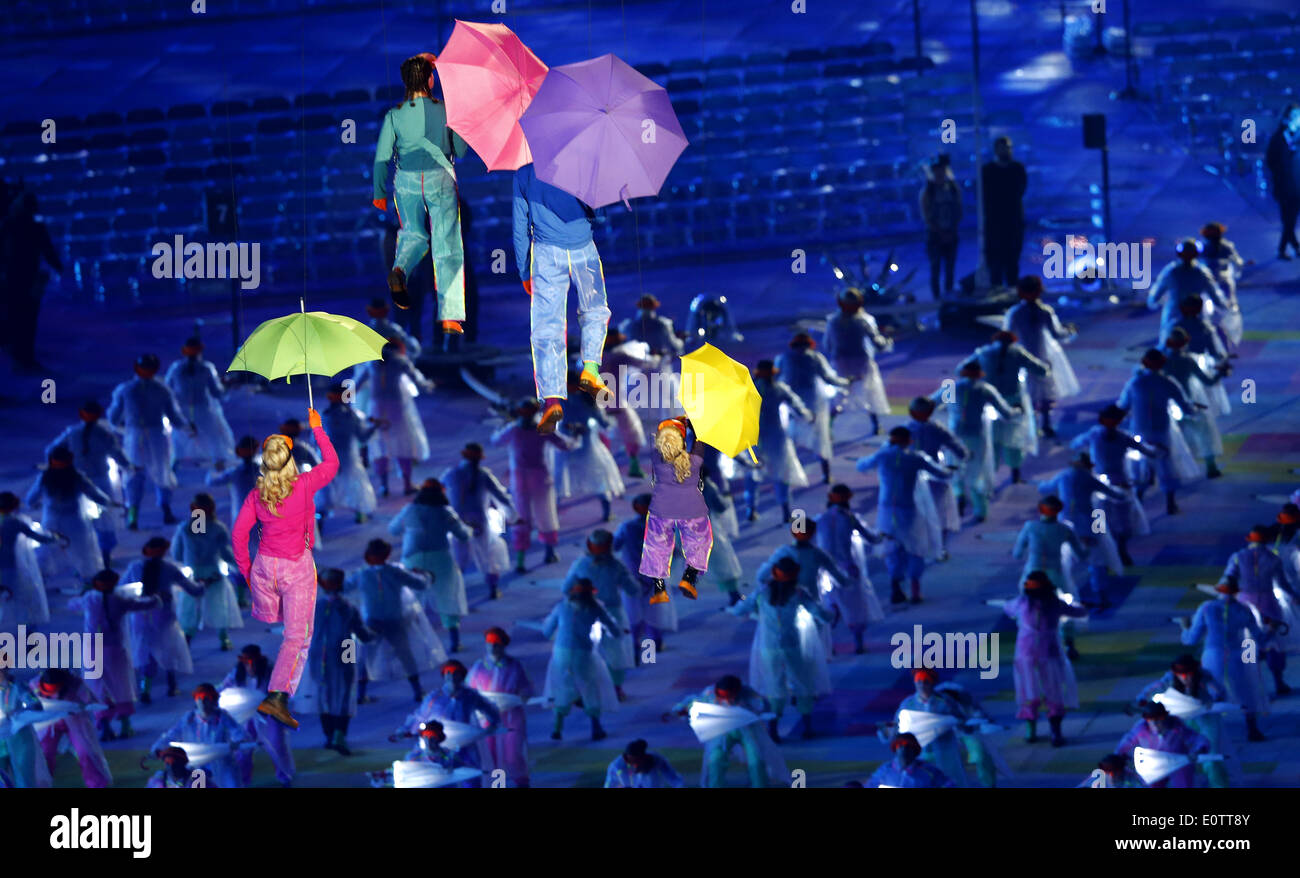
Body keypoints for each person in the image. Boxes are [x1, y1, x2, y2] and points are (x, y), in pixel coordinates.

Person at [231, 408, 338, 729]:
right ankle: (278, 696)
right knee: (299, 637)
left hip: (265, 567)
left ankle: (275, 686)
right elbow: (332, 464)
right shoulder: (304, 484)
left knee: (285, 630)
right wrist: (318, 429)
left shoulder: (256, 495)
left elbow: (239, 536)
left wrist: (248, 573)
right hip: (296, 566)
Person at [372, 53, 468, 331]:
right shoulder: (447, 110)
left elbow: (381, 156)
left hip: (406, 181)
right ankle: (450, 315)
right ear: (429, 80)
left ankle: (400, 269)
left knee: (413, 233)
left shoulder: (395, 115)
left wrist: (379, 191)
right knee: (446, 243)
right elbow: (459, 151)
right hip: (440, 177)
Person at [513, 161, 610, 431]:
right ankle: (590, 369)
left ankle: (552, 400)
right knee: (594, 309)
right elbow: (599, 215)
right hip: (583, 248)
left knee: (547, 326)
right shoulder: (584, 167)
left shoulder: (523, 175)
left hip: (545, 253)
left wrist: (524, 271)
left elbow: (519, 229)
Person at [728, 556, 832, 740]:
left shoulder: (763, 593)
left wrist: (733, 610)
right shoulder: (799, 594)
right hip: (792, 645)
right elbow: (820, 613)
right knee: (802, 682)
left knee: (774, 685)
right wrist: (830, 616)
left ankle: (773, 729)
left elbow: (740, 610)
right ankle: (807, 727)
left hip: (769, 647)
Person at [856, 426, 951, 604]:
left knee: (892, 547)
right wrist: (951, 469)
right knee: (915, 548)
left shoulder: (883, 455)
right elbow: (941, 473)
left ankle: (896, 586)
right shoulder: (916, 458)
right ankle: (915, 589)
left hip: (887, 510)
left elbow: (861, 465)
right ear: (909, 441)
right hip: (909, 510)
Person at [68, 569, 159, 741]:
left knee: (98, 687)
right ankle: (126, 725)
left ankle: (105, 726)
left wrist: (85, 591)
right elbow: (142, 604)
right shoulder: (120, 601)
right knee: (120, 686)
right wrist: (157, 598)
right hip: (115, 650)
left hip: (92, 649)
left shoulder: (89, 599)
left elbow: (71, 604)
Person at [107, 353, 194, 529]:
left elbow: (113, 419)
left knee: (144, 473)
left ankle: (143, 513)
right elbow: (175, 417)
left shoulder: (130, 389)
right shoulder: (154, 390)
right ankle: (153, 512)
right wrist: (187, 428)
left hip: (141, 436)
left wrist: (125, 429)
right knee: (153, 473)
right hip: (150, 436)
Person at [1003, 571, 1089, 746]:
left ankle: (1030, 731)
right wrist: (1083, 605)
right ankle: (1055, 733)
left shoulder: (1022, 603)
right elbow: (1078, 612)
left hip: (1025, 654)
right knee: (1053, 692)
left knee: (1028, 691)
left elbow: (1007, 608)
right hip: (1049, 652)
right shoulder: (1055, 603)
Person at [1176, 580, 1269, 741]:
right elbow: (1260, 638)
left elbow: (1190, 639)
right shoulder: (1243, 610)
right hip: (1235, 655)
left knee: (1210, 690)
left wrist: (1185, 627)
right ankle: (1252, 728)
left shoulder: (1207, 607)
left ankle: (1210, 732)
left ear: (1218, 591)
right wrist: (1272, 630)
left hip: (1213, 656)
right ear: (1235, 593)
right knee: (1244, 690)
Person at [345, 539, 434, 702]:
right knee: (406, 655)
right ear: (387, 555)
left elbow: (343, 587)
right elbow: (420, 584)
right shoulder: (396, 572)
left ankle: (360, 694)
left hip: (372, 621)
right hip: (395, 621)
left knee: (365, 657)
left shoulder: (362, 574)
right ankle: (417, 691)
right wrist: (426, 575)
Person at [45, 399, 130, 569]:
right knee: (105, 520)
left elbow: (51, 450)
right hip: (99, 480)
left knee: (84, 523)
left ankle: (87, 562)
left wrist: (56, 468)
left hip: (76, 482)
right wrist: (129, 467)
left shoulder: (72, 433)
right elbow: (117, 454)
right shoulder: (104, 434)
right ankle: (104, 557)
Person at [491, 399, 574, 571]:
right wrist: (576, 435)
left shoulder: (513, 430)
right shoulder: (543, 429)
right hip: (541, 479)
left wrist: (501, 425)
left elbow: (495, 441)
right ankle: (549, 552)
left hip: (519, 478)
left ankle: (521, 561)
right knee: (546, 514)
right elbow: (565, 445)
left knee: (521, 516)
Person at [389, 479, 471, 652]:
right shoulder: (445, 512)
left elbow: (393, 529)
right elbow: (463, 535)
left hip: (413, 559)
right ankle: (454, 640)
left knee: (411, 600)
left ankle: (409, 641)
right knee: (448, 597)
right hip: (441, 559)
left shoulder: (409, 510)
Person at [1069, 404, 1157, 565]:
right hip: (1104, 483)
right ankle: (1107, 553)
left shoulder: (1120, 437)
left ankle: (1118, 551)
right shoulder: (1098, 435)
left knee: (1118, 520)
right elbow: (1075, 444)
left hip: (1117, 484)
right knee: (1103, 518)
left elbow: (1146, 450)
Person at [1117, 348, 1201, 514]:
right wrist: (1195, 409)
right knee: (1166, 465)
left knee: (1141, 465)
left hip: (1139, 430)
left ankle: (1139, 502)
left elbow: (1122, 406)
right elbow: (1185, 407)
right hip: (1161, 430)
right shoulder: (1168, 383)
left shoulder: (1134, 383)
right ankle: (1170, 504)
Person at [935, 359, 1019, 522]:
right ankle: (980, 510)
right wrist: (1017, 411)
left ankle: (958, 496)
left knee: (955, 466)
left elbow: (933, 404)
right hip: (977, 435)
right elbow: (1006, 413)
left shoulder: (952, 387)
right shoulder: (985, 389)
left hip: (956, 434)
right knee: (978, 471)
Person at [640, 416, 713, 603]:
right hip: (692, 510)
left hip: (661, 510)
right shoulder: (695, 460)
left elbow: (657, 438)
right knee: (699, 542)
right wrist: (693, 427)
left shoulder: (657, 459)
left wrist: (675, 422)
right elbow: (700, 440)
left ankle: (659, 590)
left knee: (657, 547)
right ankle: (689, 578)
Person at [667, 674, 785, 788]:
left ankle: (759, 785)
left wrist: (755, 711)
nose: (726, 701)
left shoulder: (747, 693)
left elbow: (763, 705)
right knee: (715, 759)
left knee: (756, 759)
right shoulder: (710, 693)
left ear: (738, 692)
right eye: (722, 697)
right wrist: (679, 710)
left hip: (747, 728)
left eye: (730, 696)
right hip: (722, 729)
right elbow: (692, 702)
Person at [1038, 453, 1125, 607]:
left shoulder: (1063, 476)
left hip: (1066, 525)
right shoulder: (1088, 478)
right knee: (1096, 560)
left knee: (1063, 562)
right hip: (1088, 526)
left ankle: (1065, 599)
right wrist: (1122, 492)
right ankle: (1102, 597)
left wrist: (1039, 483)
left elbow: (1045, 488)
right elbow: (1112, 494)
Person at [540, 579, 621, 741]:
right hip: (584, 654)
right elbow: (613, 629)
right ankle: (596, 727)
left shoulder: (562, 607)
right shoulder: (595, 608)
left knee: (562, 687)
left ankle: (557, 728)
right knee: (589, 687)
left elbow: (547, 631)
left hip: (561, 654)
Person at [26, 445, 116, 588]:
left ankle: (41, 580)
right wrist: (109, 503)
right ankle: (88, 581)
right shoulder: (76, 477)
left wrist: (32, 504)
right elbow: (95, 494)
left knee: (47, 551)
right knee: (83, 551)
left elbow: (31, 499)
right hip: (74, 521)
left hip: (52, 520)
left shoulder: (46, 478)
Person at [400, 659, 501, 787]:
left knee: (470, 776)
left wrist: (493, 723)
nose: (452, 677)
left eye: (455, 673)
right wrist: (405, 730)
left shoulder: (469, 696)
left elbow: (488, 708)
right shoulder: (435, 698)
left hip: (465, 745)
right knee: (443, 779)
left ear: (461, 675)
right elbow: (419, 717)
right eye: (448, 673)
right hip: (441, 746)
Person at [1220, 525, 1294, 697]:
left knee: (1248, 642)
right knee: (1274, 642)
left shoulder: (1238, 557)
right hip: (1268, 602)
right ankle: (1278, 680)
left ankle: (1252, 682)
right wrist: (1294, 595)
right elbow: (1283, 583)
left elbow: (1228, 578)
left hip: (1245, 602)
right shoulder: (1273, 559)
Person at [125, 537, 202, 703]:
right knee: (167, 649)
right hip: (164, 617)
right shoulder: (169, 568)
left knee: (146, 651)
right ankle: (171, 685)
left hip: (141, 617)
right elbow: (193, 590)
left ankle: (145, 687)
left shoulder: (135, 567)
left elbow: (122, 589)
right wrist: (202, 585)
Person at [564, 529, 639, 698]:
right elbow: (633, 590)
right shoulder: (616, 566)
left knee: (584, 651)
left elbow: (565, 589)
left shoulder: (580, 564)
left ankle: (584, 689)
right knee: (617, 651)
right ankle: (617, 689)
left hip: (586, 613)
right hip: (613, 613)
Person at [1135, 654, 1230, 787]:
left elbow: (1219, 692)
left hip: (1205, 719)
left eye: (1189, 674)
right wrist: (1141, 700)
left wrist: (1213, 700)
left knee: (1211, 759)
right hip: (1181, 720)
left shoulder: (1204, 677)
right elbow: (1150, 690)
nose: (1185, 678)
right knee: (1173, 759)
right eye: (1181, 674)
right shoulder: (1169, 679)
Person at [308, 568, 374, 755]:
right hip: (346, 648)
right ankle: (339, 735)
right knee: (345, 693)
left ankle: (329, 736)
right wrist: (374, 634)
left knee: (324, 695)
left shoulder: (313, 606)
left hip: (318, 653)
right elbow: (362, 634)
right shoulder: (349, 608)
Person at [356, 340, 435, 498]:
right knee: (402, 442)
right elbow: (417, 379)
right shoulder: (400, 361)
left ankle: (384, 486)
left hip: (376, 407)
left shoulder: (371, 363)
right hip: (396, 407)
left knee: (379, 444)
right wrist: (429, 385)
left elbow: (357, 384)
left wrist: (345, 401)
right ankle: (407, 484)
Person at [1002, 276, 1078, 437]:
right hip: (1041, 355)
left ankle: (1034, 425)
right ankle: (1043, 424)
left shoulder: (1016, 312)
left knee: (1031, 392)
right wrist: (1070, 332)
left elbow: (1007, 335)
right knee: (1042, 391)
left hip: (1025, 355)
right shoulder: (1043, 311)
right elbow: (1057, 334)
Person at [815, 484, 885, 654]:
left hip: (824, 570)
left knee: (829, 605)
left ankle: (828, 646)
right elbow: (872, 538)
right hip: (847, 569)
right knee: (855, 607)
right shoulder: (850, 518)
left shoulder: (819, 519)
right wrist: (883, 534)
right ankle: (858, 643)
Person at [439, 442, 514, 600]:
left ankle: (454, 592)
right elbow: (501, 497)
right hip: (479, 521)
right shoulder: (484, 475)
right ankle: (492, 588)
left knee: (458, 557)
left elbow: (439, 493)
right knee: (486, 555)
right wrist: (512, 515)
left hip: (458, 522)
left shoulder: (451, 474)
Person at [972, 330, 1049, 483]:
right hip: (1013, 402)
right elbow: (1041, 370)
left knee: (991, 440)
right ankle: (1015, 473)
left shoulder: (983, 352)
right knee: (1014, 439)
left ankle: (989, 477)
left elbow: (961, 369)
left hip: (989, 403)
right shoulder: (1017, 352)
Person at [171, 493, 242, 650]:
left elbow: (176, 553)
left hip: (192, 575)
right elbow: (226, 553)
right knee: (218, 605)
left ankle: (187, 639)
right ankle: (223, 638)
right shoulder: (218, 529)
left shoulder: (184, 528)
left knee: (189, 608)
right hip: (213, 574)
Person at [776, 332, 849, 484]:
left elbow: (776, 378)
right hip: (810, 402)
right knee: (819, 437)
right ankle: (824, 474)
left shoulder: (785, 358)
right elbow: (828, 378)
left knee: (793, 436)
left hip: (797, 402)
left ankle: (789, 473)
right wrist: (845, 382)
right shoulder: (814, 358)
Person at [1, 191, 62, 370]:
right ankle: (21, 357)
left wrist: (56, 265)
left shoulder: (13, 225)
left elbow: (47, 248)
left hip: (20, 277)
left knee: (23, 319)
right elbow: (47, 249)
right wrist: (57, 265)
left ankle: (22, 357)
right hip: (17, 277)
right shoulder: (12, 225)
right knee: (22, 319)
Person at [218, 645, 295, 787]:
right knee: (243, 748)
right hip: (247, 717)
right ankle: (243, 780)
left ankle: (285, 775)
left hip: (269, 715)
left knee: (276, 744)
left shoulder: (271, 672)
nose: (249, 668)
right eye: (246, 664)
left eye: (251, 664)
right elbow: (223, 688)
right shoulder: (237, 673)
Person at [746, 360, 812, 523]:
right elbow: (795, 404)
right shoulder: (778, 389)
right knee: (782, 472)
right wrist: (806, 415)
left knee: (753, 472)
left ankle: (752, 508)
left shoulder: (748, 389)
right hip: (776, 436)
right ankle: (785, 510)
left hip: (755, 436)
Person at [467, 627, 533, 787]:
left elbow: (527, 688)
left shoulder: (515, 666)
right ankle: (499, 784)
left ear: (503, 645)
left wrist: (523, 694)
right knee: (493, 757)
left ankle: (522, 783)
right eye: (489, 644)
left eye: (496, 644)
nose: (492, 648)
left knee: (512, 754)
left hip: (511, 718)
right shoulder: (479, 667)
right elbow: (470, 691)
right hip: (489, 721)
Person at [150, 682, 249, 789]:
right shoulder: (189, 719)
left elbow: (238, 733)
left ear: (213, 701)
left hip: (221, 765)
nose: (202, 703)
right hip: (198, 768)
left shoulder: (222, 717)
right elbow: (171, 735)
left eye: (206, 699)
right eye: (199, 699)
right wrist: (158, 748)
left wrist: (239, 742)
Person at [820, 288, 891, 436]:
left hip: (840, 362)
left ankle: (828, 429)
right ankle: (876, 425)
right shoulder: (863, 321)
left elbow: (827, 345)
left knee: (838, 395)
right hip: (862, 362)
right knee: (870, 392)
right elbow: (877, 342)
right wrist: (887, 341)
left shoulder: (833, 321)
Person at [613, 493, 678, 654]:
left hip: (632, 577)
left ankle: (635, 644)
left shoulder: (626, 528)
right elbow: (673, 551)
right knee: (654, 611)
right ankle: (654, 644)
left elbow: (614, 546)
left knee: (633, 611)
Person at [1161, 327, 1227, 479]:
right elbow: (1208, 381)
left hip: (1169, 406)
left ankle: (1172, 472)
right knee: (1205, 433)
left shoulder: (1163, 361)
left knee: (1172, 439)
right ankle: (1211, 466)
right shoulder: (1188, 361)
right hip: (1190, 403)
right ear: (1185, 343)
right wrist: (1220, 374)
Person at [882, 669, 968, 786]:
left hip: (945, 752)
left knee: (949, 781)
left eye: (926, 681)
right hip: (920, 753)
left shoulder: (945, 702)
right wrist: (886, 732)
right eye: (919, 682)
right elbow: (896, 727)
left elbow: (962, 721)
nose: (922, 685)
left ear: (932, 683)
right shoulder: (908, 704)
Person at [556, 377, 625, 521]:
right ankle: (606, 510)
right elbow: (604, 423)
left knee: (561, 475)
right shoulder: (586, 401)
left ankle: (554, 508)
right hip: (581, 444)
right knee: (596, 474)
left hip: (571, 444)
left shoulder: (563, 400)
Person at [31, 668, 112, 788]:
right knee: (44, 753)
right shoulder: (34, 685)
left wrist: (96, 711)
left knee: (85, 752)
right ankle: (42, 785)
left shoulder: (76, 684)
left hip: (76, 721)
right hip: (48, 723)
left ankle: (97, 784)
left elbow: (91, 702)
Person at [597, 328, 659, 477]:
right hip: (617, 404)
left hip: (599, 405)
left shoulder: (595, 357)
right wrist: (656, 356)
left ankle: (608, 469)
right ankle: (632, 466)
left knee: (604, 438)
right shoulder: (619, 356)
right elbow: (645, 364)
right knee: (633, 434)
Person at [164, 337, 235, 467]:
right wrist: (227, 386)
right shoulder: (206, 368)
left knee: (177, 437)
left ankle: (173, 465)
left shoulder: (176, 369)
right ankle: (219, 464)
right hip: (203, 410)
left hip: (182, 410)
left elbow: (166, 390)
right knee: (214, 435)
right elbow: (217, 393)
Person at [904, 397, 965, 547]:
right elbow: (956, 447)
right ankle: (940, 546)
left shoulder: (906, 429)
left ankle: (920, 543)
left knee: (916, 510)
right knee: (939, 511)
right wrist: (964, 457)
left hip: (913, 476)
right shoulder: (936, 428)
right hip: (935, 474)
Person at [618, 294, 684, 429]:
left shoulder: (629, 326)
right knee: (666, 404)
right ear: (654, 307)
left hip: (636, 370)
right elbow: (674, 346)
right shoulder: (662, 325)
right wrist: (680, 342)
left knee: (634, 401)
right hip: (658, 369)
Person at [1116, 701, 1212, 789]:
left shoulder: (1176, 727)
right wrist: (1120, 759)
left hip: (1178, 762)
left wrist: (1199, 750)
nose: (1154, 724)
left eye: (1158, 719)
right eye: (1150, 720)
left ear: (1164, 717)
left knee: (1184, 783)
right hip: (1154, 765)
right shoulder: (1141, 730)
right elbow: (1124, 745)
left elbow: (1196, 738)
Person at [320, 382, 379, 524]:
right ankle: (360, 512)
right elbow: (363, 437)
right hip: (347, 457)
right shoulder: (352, 416)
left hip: (330, 456)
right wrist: (374, 426)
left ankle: (321, 513)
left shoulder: (323, 415)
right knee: (355, 484)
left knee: (326, 485)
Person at [0, 491, 58, 627]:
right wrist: (55, 537)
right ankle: (28, 638)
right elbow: (40, 538)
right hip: (10, 566)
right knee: (21, 600)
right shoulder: (15, 523)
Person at [1147, 239, 1227, 335]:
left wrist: (1154, 302)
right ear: (1196, 254)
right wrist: (1225, 307)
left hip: (1174, 317)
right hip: (1196, 317)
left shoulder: (1171, 272)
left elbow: (1154, 297)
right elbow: (1215, 296)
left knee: (1171, 345)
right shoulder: (1201, 273)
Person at [981, 135, 1028, 288]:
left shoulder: (1017, 169)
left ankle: (1012, 293)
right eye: (1003, 147)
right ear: (996, 149)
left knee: (1012, 263)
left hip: (1013, 224)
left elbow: (1019, 191)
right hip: (994, 226)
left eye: (1008, 147)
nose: (1006, 150)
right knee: (995, 265)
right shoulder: (987, 171)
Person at [0, 657, 51, 788]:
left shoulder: (17, 686)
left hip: (20, 738)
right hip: (2, 742)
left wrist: (17, 713)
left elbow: (36, 705)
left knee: (24, 779)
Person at [919, 153, 961, 300]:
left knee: (950, 269)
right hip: (935, 237)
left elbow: (958, 211)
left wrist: (951, 231)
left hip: (951, 234)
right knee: (935, 268)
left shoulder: (953, 189)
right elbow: (927, 216)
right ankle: (937, 298)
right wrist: (939, 232)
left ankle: (949, 296)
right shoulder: (928, 192)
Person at [1199, 222, 1246, 345]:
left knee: (1207, 315)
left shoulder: (1203, 248)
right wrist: (1236, 275)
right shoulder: (1227, 246)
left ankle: (1213, 340)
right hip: (1223, 284)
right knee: (1227, 313)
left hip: (1209, 285)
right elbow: (1238, 264)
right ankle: (1224, 341)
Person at [1264, 103, 1300, 260]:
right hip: (1286, 187)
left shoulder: (1292, 139)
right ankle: (1287, 248)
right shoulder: (1278, 139)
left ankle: (1292, 247)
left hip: (1294, 186)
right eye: (1295, 117)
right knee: (1289, 219)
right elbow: (1272, 162)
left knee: (1290, 219)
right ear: (1286, 119)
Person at [206, 435, 260, 525]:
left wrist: (215, 468)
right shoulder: (263, 472)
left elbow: (211, 481)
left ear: (239, 451)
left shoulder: (234, 473)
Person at [867, 733, 954, 788]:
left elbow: (949, 784)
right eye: (899, 745)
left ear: (914, 749)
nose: (903, 748)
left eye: (907, 745)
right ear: (895, 749)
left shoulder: (929, 771)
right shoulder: (884, 771)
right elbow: (870, 785)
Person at [604, 739, 684, 788]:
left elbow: (673, 777)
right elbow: (609, 784)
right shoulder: (617, 767)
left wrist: (679, 785)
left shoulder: (655, 759)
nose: (633, 762)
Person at [147, 746, 215, 789]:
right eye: (168, 763)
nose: (171, 767)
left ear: (183, 763)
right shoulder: (157, 782)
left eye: (175, 763)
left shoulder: (198, 781)